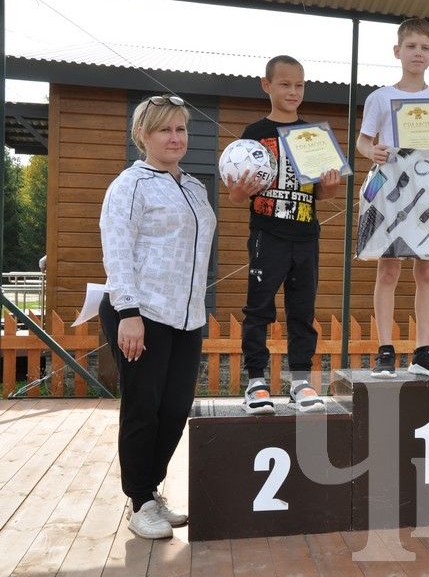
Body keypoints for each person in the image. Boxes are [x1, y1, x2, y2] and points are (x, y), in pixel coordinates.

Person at [99, 93, 216, 539]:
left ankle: (150, 491)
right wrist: (128, 312)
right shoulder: (130, 185)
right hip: (141, 312)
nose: (175, 137)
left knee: (174, 409)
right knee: (143, 408)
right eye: (165, 129)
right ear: (143, 136)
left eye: (181, 128)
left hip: (186, 316)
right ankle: (140, 501)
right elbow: (118, 249)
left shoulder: (194, 186)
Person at [227, 55, 341, 415]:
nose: (293, 91)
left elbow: (321, 193)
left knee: (302, 310)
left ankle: (300, 381)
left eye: (299, 85)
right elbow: (235, 194)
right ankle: (256, 381)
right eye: (285, 84)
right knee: (259, 308)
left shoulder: (314, 135)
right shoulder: (253, 134)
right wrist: (241, 191)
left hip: (306, 235)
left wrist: (330, 187)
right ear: (267, 85)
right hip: (267, 234)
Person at [356, 18, 429, 378]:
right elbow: (362, 142)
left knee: (428, 271)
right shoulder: (381, 97)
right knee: (388, 271)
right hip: (392, 192)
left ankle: (422, 350)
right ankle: (385, 349)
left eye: (424, 47)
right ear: (397, 51)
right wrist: (373, 152)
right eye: (411, 46)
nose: (418, 52)